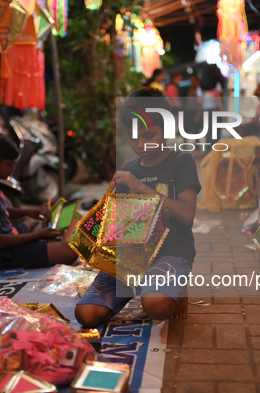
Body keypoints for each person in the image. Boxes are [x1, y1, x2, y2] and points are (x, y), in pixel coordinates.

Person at [75, 87, 202, 327]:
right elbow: (120, 229)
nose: (140, 144)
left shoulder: (181, 161)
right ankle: (142, 285)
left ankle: (176, 289)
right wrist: (96, 244)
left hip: (170, 252)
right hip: (129, 258)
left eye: (148, 135)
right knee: (86, 315)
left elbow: (186, 214)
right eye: (133, 138)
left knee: (156, 306)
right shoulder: (129, 170)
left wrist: (142, 188)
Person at [0, 133, 78, 273]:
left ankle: (44, 246)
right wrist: (38, 236)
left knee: (37, 222)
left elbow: (0, 212)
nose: (12, 169)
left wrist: (29, 211)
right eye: (9, 165)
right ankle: (44, 247)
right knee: (70, 252)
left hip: (6, 239)